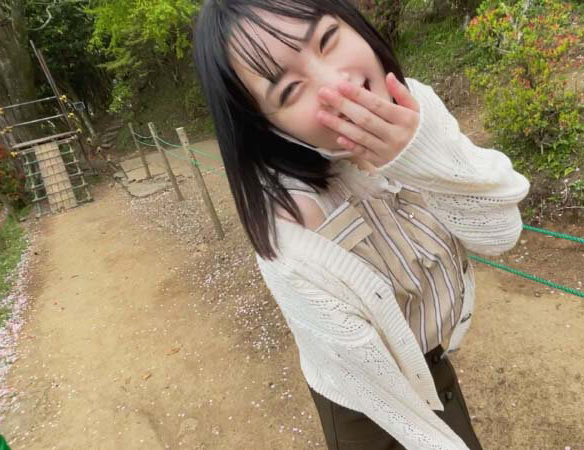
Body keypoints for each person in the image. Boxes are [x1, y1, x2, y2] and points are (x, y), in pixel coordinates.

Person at [193, 1, 530, 448]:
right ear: (266, 126)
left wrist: (422, 156)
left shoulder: (414, 107)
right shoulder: (291, 227)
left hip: (429, 363)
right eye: (290, 90)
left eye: (328, 39)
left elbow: (499, 233)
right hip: (367, 400)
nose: (338, 84)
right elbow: (386, 398)